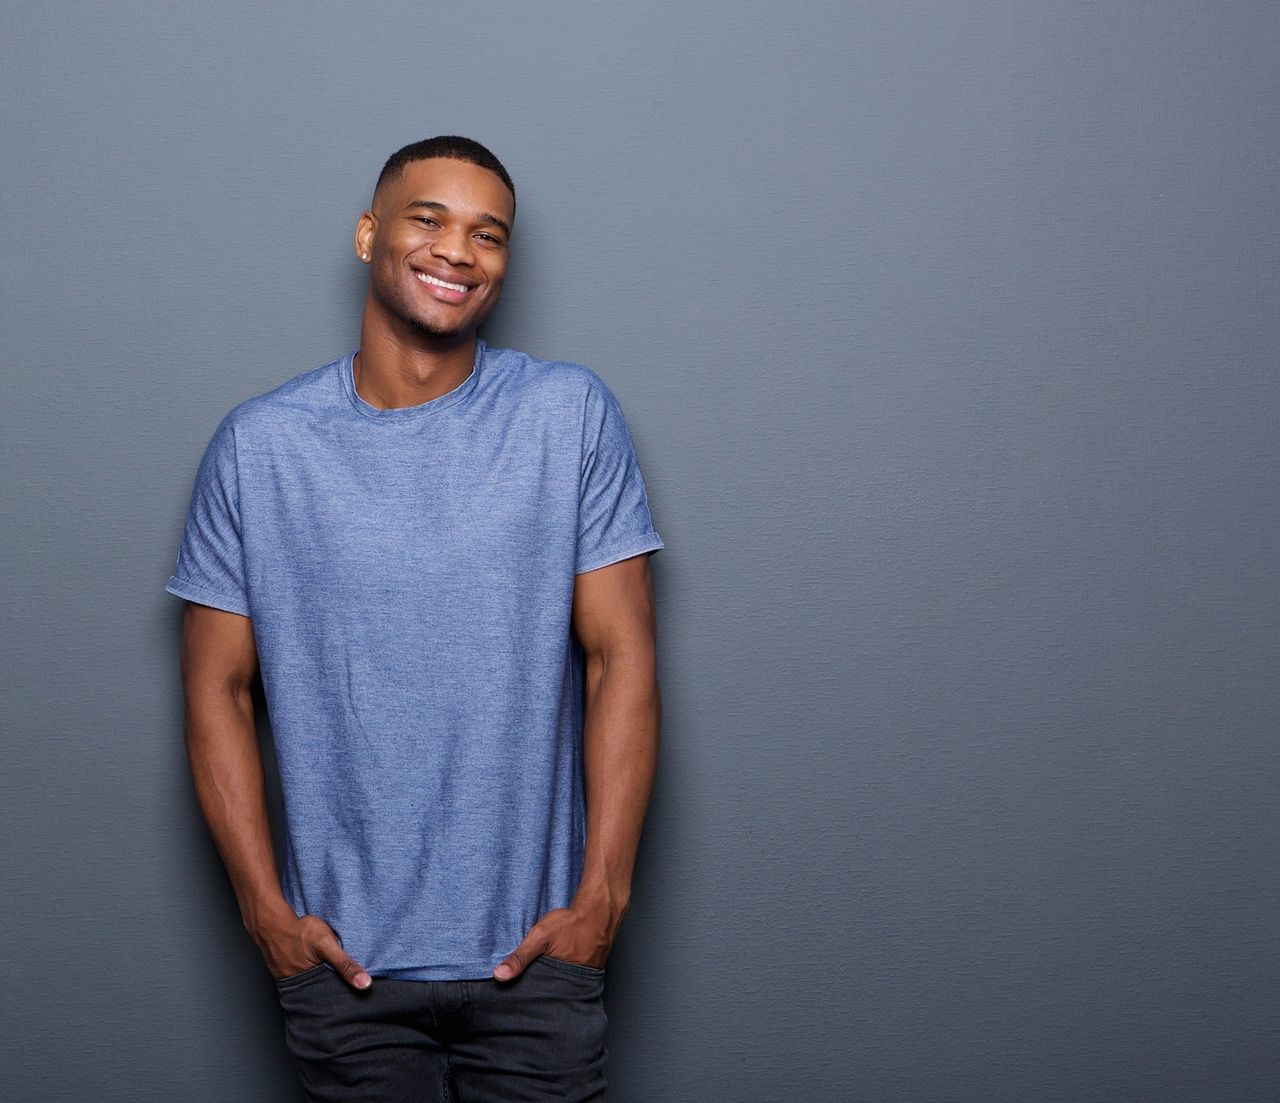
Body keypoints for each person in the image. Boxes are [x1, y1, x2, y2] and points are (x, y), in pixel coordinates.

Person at [163, 135, 665, 1101]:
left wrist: (601, 900)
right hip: (342, 972)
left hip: (538, 964)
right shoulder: (261, 446)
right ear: (368, 235)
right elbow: (214, 689)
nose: (457, 251)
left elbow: (621, 661)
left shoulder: (568, 416)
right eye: (427, 219)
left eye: (488, 234)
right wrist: (265, 913)